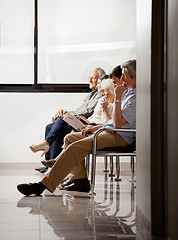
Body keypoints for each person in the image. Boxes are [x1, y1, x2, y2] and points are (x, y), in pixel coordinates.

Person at [17, 60, 136, 195]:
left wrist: (118, 99)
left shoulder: (134, 98)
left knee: (75, 147)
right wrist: (96, 128)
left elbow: (118, 124)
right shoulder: (129, 94)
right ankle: (80, 180)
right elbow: (115, 122)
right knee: (69, 138)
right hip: (110, 131)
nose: (121, 79)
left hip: (120, 137)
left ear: (135, 77)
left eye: (124, 76)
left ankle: (44, 184)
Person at [30, 68, 105, 173]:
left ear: (101, 80)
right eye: (89, 78)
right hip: (80, 118)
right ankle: (49, 164)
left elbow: (88, 111)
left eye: (93, 78)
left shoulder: (101, 94)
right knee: (49, 126)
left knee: (61, 123)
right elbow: (80, 109)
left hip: (87, 123)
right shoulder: (91, 94)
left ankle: (47, 147)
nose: (90, 81)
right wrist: (67, 112)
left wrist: (68, 114)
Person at [41, 78, 116, 169]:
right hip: (89, 123)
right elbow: (93, 115)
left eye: (106, 91)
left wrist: (104, 109)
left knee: (62, 123)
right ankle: (50, 163)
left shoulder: (114, 104)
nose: (104, 94)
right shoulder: (100, 99)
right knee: (51, 126)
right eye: (104, 91)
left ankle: (52, 158)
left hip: (96, 127)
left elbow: (108, 123)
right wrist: (85, 120)